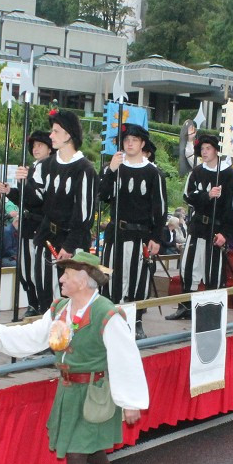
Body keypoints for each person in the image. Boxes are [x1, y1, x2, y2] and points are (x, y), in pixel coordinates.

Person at [0, 251, 148, 464]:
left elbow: (125, 358)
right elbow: (35, 335)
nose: (61, 278)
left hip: (94, 392)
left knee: (77, 452)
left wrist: (131, 402)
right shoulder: (61, 308)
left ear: (84, 279)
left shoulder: (107, 313)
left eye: (67, 274)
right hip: (68, 390)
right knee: (86, 444)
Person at [23, 109, 96, 316]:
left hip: (71, 239)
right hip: (47, 236)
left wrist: (70, 244)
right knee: (45, 289)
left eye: (55, 131)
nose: (51, 136)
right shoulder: (46, 166)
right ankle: (50, 336)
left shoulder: (85, 169)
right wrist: (21, 186)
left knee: (71, 292)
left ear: (68, 135)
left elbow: (84, 214)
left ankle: (69, 339)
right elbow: (36, 200)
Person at [99, 123, 166, 339]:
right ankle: (111, 320)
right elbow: (102, 195)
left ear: (142, 144)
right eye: (126, 140)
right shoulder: (113, 168)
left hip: (141, 235)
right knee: (112, 278)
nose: (129, 143)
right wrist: (111, 170)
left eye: (134, 140)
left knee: (138, 279)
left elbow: (160, 208)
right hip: (116, 234)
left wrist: (156, 236)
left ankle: (136, 321)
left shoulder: (153, 173)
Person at [167, 134, 233, 320]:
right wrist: (206, 195)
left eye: (208, 148)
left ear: (216, 150)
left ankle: (211, 311)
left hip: (216, 230)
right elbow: (188, 196)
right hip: (197, 227)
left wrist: (225, 233)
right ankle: (186, 307)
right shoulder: (197, 172)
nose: (204, 152)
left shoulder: (229, 175)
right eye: (202, 149)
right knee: (189, 266)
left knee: (212, 270)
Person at [8, 131, 53, 317]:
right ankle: (32, 302)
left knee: (39, 269)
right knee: (25, 268)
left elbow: (38, 199)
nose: (36, 149)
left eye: (40, 145)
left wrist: (24, 183)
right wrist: (10, 190)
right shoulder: (32, 168)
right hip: (28, 223)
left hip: (41, 224)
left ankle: (43, 304)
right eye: (34, 146)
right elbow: (25, 199)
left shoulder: (51, 168)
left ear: (49, 148)